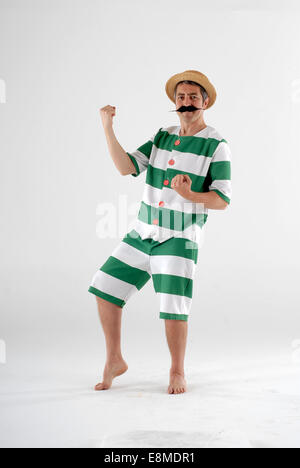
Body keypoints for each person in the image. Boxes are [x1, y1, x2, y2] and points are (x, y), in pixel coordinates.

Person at [88, 70, 232, 394]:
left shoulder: (216, 145)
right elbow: (127, 167)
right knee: (104, 286)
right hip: (142, 233)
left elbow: (222, 199)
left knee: (173, 305)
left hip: (179, 237)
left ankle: (177, 371)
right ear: (174, 102)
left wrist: (191, 195)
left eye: (193, 97)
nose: (186, 103)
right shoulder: (162, 136)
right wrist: (108, 128)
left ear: (205, 102)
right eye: (181, 97)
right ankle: (114, 359)